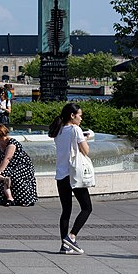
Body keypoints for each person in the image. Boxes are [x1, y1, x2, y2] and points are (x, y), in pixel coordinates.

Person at [49, 103, 94, 255]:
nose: (81, 118)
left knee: (66, 210)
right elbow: (86, 151)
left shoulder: (58, 130)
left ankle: (64, 245)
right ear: (72, 116)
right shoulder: (76, 129)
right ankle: (72, 236)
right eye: (80, 115)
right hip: (74, 175)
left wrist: (82, 137)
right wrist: (86, 138)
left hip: (61, 175)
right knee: (87, 207)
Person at [0, 124, 38, 206]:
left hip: (22, 166)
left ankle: (26, 199)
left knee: (14, 176)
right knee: (5, 174)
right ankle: (10, 198)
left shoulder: (12, 143)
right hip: (10, 166)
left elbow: (7, 158)